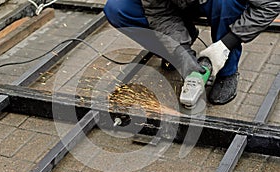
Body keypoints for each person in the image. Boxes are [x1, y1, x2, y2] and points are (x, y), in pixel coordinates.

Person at [103, 0, 280, 105]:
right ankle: (181, 41)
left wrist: (226, 44)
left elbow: (271, 5)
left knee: (227, 2)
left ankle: (226, 71)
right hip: (176, 5)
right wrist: (181, 52)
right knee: (118, 9)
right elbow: (159, 14)